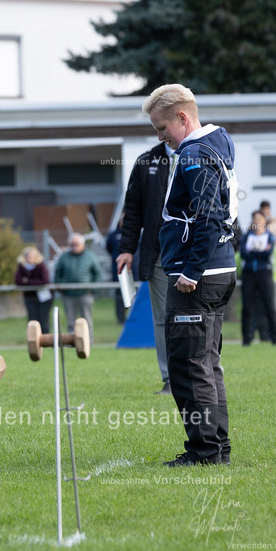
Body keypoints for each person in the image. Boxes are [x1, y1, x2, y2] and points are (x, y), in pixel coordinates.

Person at [144, 83, 237, 467]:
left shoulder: (195, 154)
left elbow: (210, 213)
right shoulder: (218, 143)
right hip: (219, 269)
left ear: (183, 118)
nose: (160, 137)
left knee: (188, 364)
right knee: (206, 363)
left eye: (162, 128)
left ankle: (205, 451)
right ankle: (217, 446)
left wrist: (191, 270)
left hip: (198, 275)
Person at [116, 139, 175, 394]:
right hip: (159, 253)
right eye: (156, 127)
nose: (160, 133)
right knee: (163, 317)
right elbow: (133, 211)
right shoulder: (146, 162)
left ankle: (206, 372)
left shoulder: (202, 155)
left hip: (197, 252)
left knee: (200, 317)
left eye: (163, 125)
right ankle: (170, 379)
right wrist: (127, 249)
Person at [239, 210, 276, 346]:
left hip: (264, 273)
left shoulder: (269, 236)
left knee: (269, 305)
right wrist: (259, 252)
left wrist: (254, 252)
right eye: (254, 219)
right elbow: (244, 254)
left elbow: (268, 252)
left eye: (259, 219)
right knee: (247, 306)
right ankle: (247, 338)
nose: (256, 221)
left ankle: (275, 337)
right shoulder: (247, 236)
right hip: (249, 273)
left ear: (264, 221)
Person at [52, 233, 103, 341]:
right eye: (72, 244)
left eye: (76, 244)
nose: (74, 246)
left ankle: (88, 341)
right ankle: (72, 342)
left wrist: (93, 290)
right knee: (71, 320)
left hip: (85, 294)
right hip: (68, 294)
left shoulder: (90, 256)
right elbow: (57, 273)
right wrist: (60, 288)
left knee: (86, 319)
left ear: (82, 244)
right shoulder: (64, 257)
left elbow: (97, 274)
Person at [15, 246, 53, 333]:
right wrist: (34, 282)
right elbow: (18, 281)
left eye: (32, 256)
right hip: (30, 297)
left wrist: (27, 280)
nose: (30, 258)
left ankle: (45, 339)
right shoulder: (22, 267)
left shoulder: (41, 266)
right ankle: (33, 339)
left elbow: (44, 280)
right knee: (32, 319)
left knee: (43, 319)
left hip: (44, 298)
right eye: (28, 256)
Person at [105, 221, 127, 324]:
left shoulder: (138, 234)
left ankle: (135, 318)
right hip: (118, 271)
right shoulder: (113, 235)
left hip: (133, 272)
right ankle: (121, 319)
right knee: (119, 297)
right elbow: (108, 247)